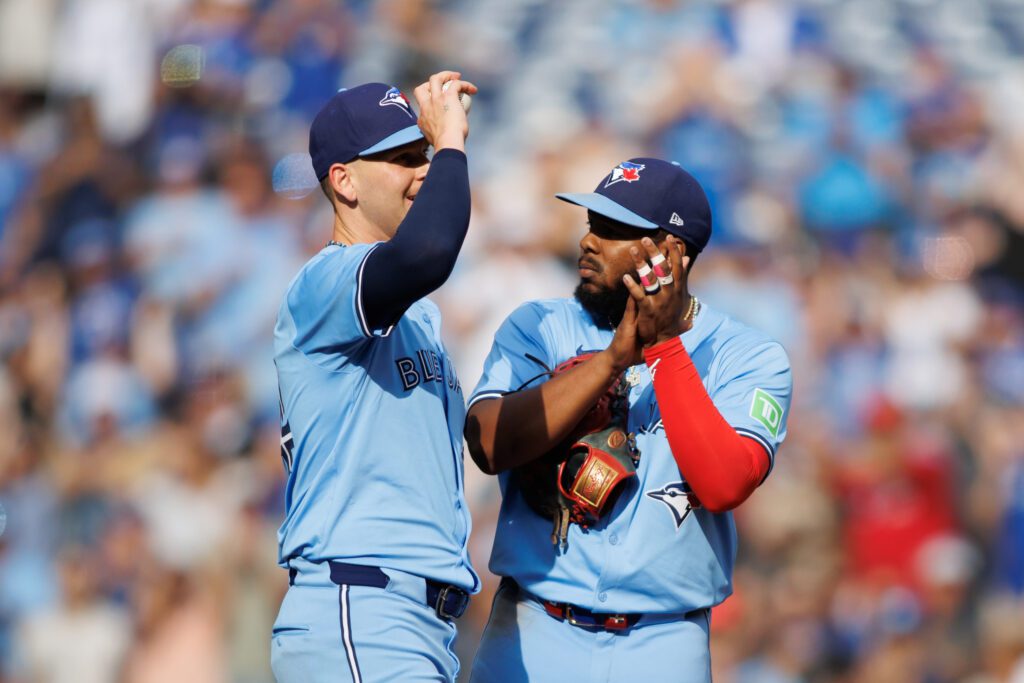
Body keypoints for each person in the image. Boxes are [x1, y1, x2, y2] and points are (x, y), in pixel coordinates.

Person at [464, 158, 793, 682]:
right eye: (592, 224)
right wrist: (610, 362)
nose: (589, 241)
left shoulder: (748, 356)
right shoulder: (540, 325)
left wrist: (663, 347)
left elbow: (725, 484)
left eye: (614, 231)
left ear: (669, 253)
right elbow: (486, 444)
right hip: (533, 628)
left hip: (662, 644)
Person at [271, 72, 480, 683]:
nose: (422, 170)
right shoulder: (324, 282)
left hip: (412, 622)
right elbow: (427, 252)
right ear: (344, 180)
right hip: (359, 604)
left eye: (423, 153)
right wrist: (451, 146)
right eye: (401, 158)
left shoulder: (421, 316)